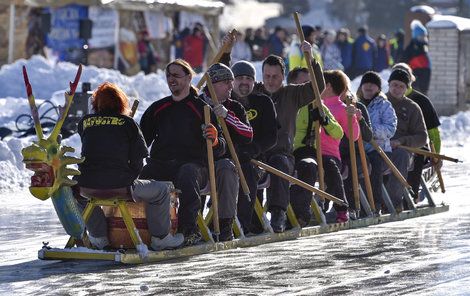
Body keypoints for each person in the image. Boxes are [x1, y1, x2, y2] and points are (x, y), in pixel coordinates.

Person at [73, 82, 184, 251]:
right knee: (161, 191)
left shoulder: (85, 122)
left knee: (75, 193)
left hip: (86, 186)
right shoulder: (128, 123)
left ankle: (99, 236)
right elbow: (139, 160)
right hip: (120, 186)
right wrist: (129, 179)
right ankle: (161, 238)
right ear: (120, 103)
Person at [139, 59, 226, 246]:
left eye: (176, 75)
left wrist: (216, 139)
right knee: (141, 178)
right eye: (168, 75)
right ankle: (139, 229)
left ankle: (189, 230)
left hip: (194, 167)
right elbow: (140, 142)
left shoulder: (202, 109)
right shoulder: (158, 108)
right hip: (161, 165)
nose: (171, 79)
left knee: (187, 173)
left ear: (188, 78)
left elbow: (221, 150)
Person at [252, 45, 325, 232]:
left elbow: (318, 87)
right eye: (267, 76)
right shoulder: (254, 93)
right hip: (255, 152)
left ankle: (278, 213)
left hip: (282, 154)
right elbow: (232, 85)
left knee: (279, 164)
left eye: (275, 76)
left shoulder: (292, 94)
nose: (270, 81)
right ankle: (251, 217)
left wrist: (311, 60)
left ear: (282, 76)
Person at [200, 62, 254, 241]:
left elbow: (248, 134)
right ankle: (191, 225)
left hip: (225, 164)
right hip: (199, 161)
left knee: (227, 168)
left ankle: (225, 225)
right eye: (226, 82)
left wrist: (227, 116)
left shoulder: (235, 107)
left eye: (232, 81)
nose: (232, 86)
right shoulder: (196, 103)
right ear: (212, 84)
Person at [289, 67, 342, 226]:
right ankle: (284, 212)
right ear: (292, 85)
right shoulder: (285, 102)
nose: (308, 87)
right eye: (304, 83)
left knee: (313, 166)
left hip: (306, 152)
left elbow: (338, 133)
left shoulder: (317, 104)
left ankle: (303, 214)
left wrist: (324, 120)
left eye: (309, 83)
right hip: (285, 151)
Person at [392, 63, 441, 202]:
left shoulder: (421, 101)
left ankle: (411, 193)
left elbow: (433, 133)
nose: (398, 87)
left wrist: (436, 155)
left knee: (416, 152)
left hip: (415, 142)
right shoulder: (385, 99)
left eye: (402, 83)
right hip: (392, 141)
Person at [319, 70, 360, 222]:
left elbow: (353, 136)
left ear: (327, 86)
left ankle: (341, 207)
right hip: (311, 151)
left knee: (331, 170)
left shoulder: (343, 108)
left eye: (318, 83)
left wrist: (353, 118)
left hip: (330, 154)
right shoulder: (315, 105)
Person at [385, 68, 427, 211]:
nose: (397, 89)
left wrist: (402, 141)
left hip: (401, 150)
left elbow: (422, 137)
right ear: (389, 84)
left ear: (407, 88)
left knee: (400, 157)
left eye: (401, 86)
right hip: (378, 147)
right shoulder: (379, 102)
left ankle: (394, 203)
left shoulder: (412, 108)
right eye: (394, 85)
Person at [356, 71, 397, 214]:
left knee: (374, 164)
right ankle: (353, 204)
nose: (368, 86)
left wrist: (370, 131)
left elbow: (390, 129)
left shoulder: (384, 105)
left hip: (380, 150)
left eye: (372, 84)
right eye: (366, 83)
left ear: (378, 88)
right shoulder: (355, 104)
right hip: (359, 148)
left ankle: (376, 203)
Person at [401, 20, 431, 94]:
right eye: (421, 36)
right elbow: (404, 63)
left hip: (424, 82)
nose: (423, 38)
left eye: (424, 36)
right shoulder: (411, 48)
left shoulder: (424, 47)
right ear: (416, 36)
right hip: (415, 82)